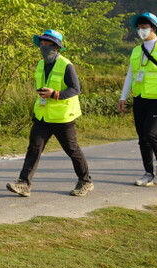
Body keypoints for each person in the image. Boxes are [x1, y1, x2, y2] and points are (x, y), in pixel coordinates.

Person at [7, 30, 93, 197]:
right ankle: (24, 183)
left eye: (48, 44)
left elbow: (76, 89)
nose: (44, 47)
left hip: (62, 117)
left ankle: (85, 181)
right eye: (42, 43)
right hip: (43, 116)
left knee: (72, 149)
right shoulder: (40, 64)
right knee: (34, 148)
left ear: (57, 47)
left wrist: (55, 94)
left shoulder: (66, 65)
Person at [118, 12, 157, 186]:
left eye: (145, 27)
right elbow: (130, 75)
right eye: (139, 27)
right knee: (142, 137)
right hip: (140, 98)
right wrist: (123, 97)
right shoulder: (136, 50)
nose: (141, 30)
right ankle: (148, 172)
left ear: (154, 28)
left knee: (152, 133)